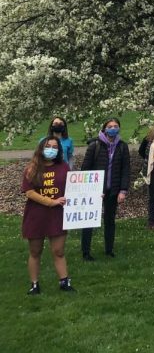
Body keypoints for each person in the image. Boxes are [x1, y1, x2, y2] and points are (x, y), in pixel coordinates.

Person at [22, 137, 73, 294]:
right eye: (48, 146)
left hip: (57, 215)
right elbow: (29, 192)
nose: (51, 149)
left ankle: (64, 282)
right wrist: (51, 202)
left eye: (55, 147)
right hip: (36, 215)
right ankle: (34, 284)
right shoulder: (32, 168)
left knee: (58, 251)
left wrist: (94, 195)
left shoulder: (63, 167)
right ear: (41, 148)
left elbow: (75, 187)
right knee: (35, 251)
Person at [80, 118, 130, 260]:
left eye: (115, 126)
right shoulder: (94, 145)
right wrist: (90, 189)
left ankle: (109, 249)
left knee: (110, 220)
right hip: (95, 191)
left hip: (113, 190)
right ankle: (86, 252)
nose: (113, 129)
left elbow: (126, 169)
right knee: (89, 221)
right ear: (104, 128)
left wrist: (123, 190)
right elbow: (85, 169)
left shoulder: (122, 146)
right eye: (110, 126)